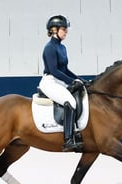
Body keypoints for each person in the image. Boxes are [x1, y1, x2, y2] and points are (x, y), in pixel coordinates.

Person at [39, 15, 85, 152]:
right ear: (54, 30)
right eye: (63, 29)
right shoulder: (49, 48)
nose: (66, 32)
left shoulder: (62, 47)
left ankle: (77, 131)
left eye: (66, 30)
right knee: (70, 101)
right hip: (50, 81)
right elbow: (54, 70)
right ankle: (68, 139)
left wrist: (80, 80)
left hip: (59, 80)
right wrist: (72, 81)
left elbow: (65, 70)